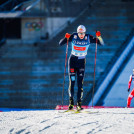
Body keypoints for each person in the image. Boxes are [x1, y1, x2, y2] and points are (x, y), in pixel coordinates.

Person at [59, 25, 104, 111]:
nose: (81, 35)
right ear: (77, 32)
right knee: (72, 82)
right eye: (79, 33)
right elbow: (60, 43)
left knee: (80, 84)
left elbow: (101, 43)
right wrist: (65, 38)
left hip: (81, 62)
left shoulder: (88, 37)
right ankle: (71, 103)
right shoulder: (73, 36)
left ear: (85, 32)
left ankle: (79, 104)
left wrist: (99, 36)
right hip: (72, 61)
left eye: (82, 33)